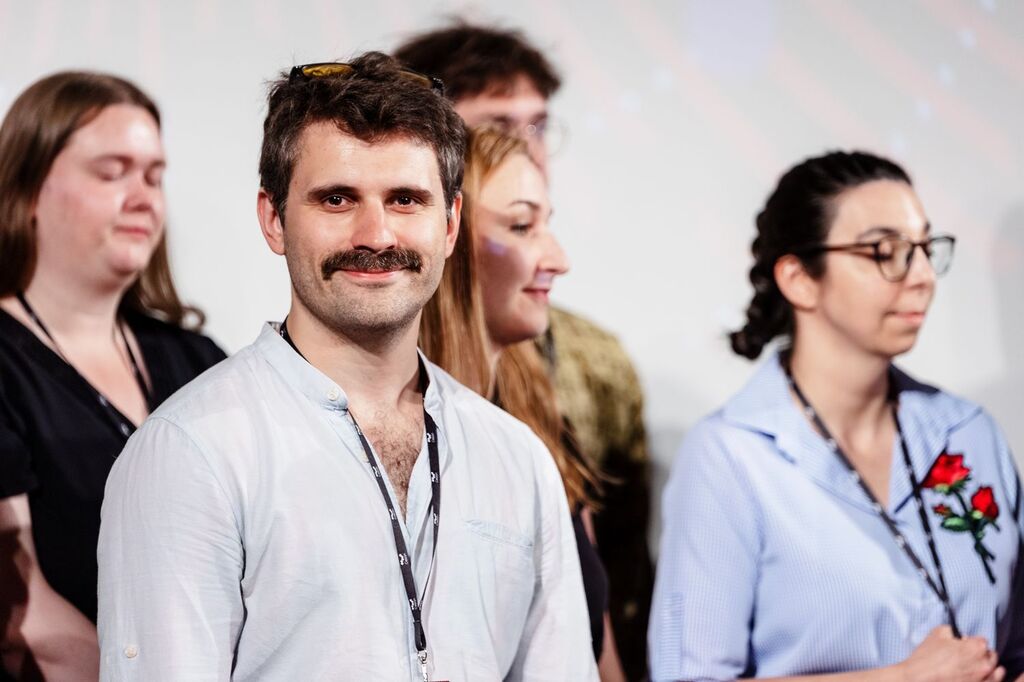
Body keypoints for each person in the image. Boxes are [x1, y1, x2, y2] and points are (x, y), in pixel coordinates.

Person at [96, 53, 597, 681]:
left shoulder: (517, 458)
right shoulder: (190, 453)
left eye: (406, 199)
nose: (376, 234)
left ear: (450, 224)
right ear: (274, 220)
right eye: (337, 199)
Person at [649, 150, 1024, 680]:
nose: (921, 276)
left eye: (924, 249)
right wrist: (902, 679)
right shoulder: (731, 457)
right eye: (885, 251)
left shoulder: (968, 433)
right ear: (799, 279)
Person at [395, 24, 654, 679]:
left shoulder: (554, 385)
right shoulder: (376, 412)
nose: (526, 147)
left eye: (537, 125)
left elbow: (604, 616)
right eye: (497, 125)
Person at [0, 71, 225, 681]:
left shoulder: (198, 360)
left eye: (154, 176)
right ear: (27, 190)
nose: (144, 198)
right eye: (111, 172)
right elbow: (24, 619)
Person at [420, 127, 627, 680]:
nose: (558, 259)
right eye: (521, 226)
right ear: (448, 237)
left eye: (546, 225)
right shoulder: (399, 440)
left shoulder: (543, 421)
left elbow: (595, 645)